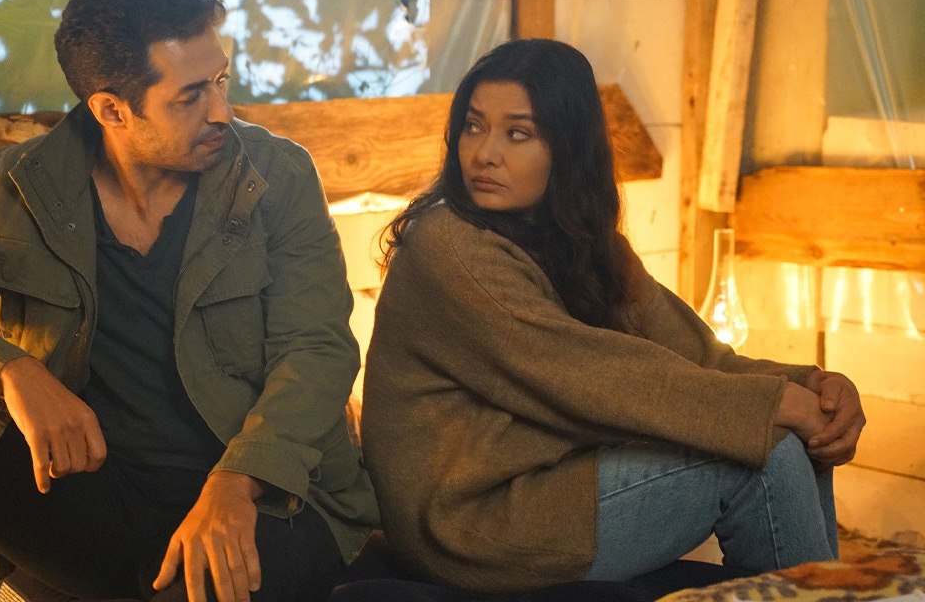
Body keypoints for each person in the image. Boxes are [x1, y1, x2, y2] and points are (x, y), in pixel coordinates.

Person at [0, 0, 378, 602]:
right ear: (112, 109)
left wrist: (238, 481)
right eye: (190, 96)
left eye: (220, 80)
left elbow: (318, 351)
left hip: (267, 498)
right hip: (102, 494)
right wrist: (12, 373)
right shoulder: (24, 185)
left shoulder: (277, 177)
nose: (221, 111)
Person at [360, 38, 865, 596]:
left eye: (517, 133)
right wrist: (775, 406)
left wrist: (812, 389)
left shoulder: (584, 244)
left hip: (557, 481)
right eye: (473, 127)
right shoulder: (446, 246)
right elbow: (588, 376)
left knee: (793, 434)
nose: (484, 154)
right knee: (766, 450)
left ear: (568, 148)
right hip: (470, 521)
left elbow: (700, 356)